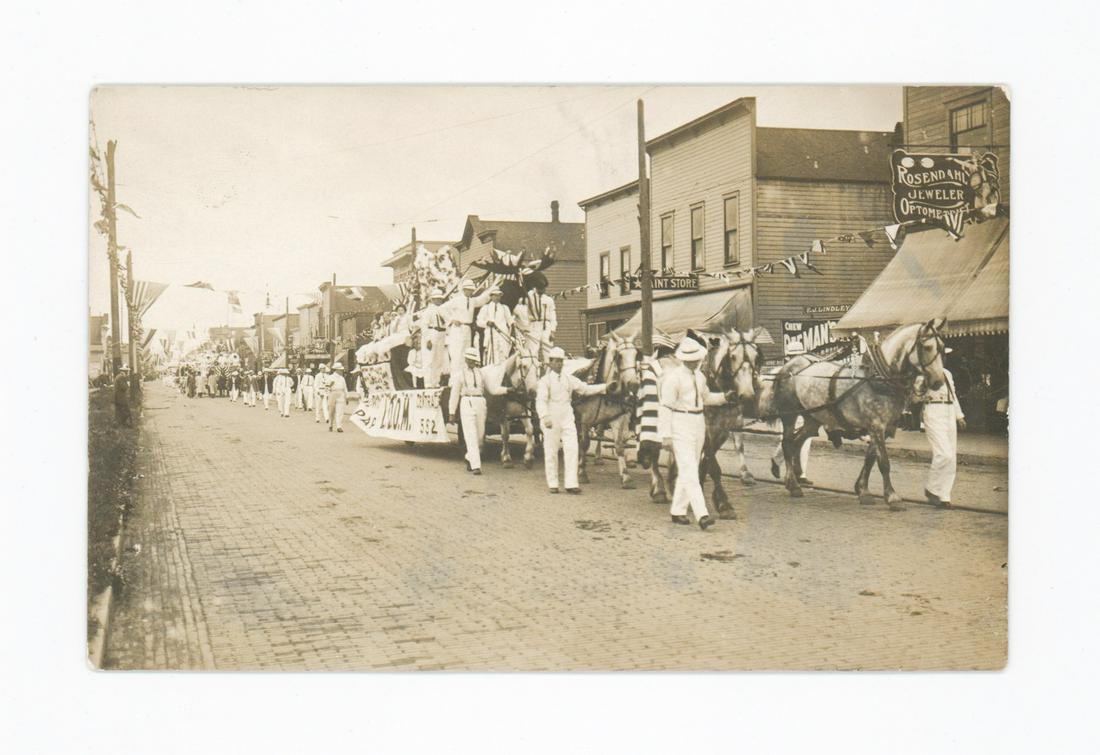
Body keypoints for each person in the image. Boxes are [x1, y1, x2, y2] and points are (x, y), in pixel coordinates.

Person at [659, 337, 734, 530]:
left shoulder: (700, 377)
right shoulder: (673, 378)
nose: (693, 362)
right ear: (683, 359)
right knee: (690, 470)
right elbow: (665, 407)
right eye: (689, 359)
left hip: (698, 423)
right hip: (680, 422)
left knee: (688, 468)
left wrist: (725, 397)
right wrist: (666, 435)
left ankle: (678, 511)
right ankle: (702, 515)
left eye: (696, 359)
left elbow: (706, 398)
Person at [535, 346, 612, 494]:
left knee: (572, 448)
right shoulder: (545, 381)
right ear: (550, 363)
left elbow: (585, 389)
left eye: (561, 361)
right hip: (551, 415)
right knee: (551, 450)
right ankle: (553, 483)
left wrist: (605, 387)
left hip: (566, 415)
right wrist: (545, 416)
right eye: (556, 361)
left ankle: (571, 483)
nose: (559, 364)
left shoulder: (568, 379)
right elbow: (541, 400)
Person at [919, 349, 966, 508]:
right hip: (933, 411)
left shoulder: (947, 373)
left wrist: (959, 416)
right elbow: (915, 395)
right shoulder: (922, 373)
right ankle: (932, 488)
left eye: (944, 356)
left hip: (949, 412)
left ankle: (944, 495)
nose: (942, 359)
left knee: (951, 457)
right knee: (943, 453)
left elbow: (953, 395)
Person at [769, 341, 814, 485]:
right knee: (788, 438)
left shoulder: (806, 373)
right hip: (787, 412)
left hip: (804, 410)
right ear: (787, 357)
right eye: (793, 356)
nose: (796, 359)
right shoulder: (780, 372)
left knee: (805, 440)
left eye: (798, 356)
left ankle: (801, 474)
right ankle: (777, 459)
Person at [448, 347, 494, 474]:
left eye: (474, 360)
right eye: (470, 359)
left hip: (480, 402)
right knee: (471, 435)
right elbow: (454, 394)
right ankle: (476, 466)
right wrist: (452, 412)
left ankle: (469, 457)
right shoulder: (459, 375)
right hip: (467, 402)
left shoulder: (481, 373)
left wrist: (507, 390)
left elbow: (491, 389)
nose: (472, 362)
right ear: (466, 360)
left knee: (480, 437)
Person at [443, 279, 493, 380]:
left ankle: (463, 379)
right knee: (457, 355)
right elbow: (442, 309)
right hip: (457, 329)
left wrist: (493, 287)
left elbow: (483, 299)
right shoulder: (456, 300)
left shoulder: (472, 301)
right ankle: (454, 380)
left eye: (471, 290)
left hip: (467, 329)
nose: (470, 291)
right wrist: (452, 319)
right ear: (464, 289)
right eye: (468, 289)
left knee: (466, 355)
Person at [515, 274, 557, 362]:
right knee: (532, 351)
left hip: (546, 326)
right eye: (539, 288)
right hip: (533, 325)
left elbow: (553, 316)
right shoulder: (528, 297)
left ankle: (549, 372)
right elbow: (520, 310)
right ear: (535, 287)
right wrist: (524, 326)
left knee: (548, 351)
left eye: (543, 288)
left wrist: (552, 330)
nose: (542, 290)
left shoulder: (548, 300)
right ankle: (534, 373)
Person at [476, 286, 514, 366]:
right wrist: (487, 323)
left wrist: (512, 331)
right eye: (495, 295)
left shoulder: (504, 308)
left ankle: (503, 374)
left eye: (499, 295)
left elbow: (510, 321)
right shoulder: (485, 308)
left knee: (503, 355)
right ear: (491, 296)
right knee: (492, 356)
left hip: (502, 335)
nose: (497, 297)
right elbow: (479, 321)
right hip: (491, 335)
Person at [418, 288, 448, 387]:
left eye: (440, 298)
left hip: (442, 333)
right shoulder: (428, 311)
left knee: (439, 360)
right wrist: (428, 339)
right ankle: (428, 383)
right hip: (432, 332)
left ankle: (436, 381)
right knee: (429, 359)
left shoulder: (443, 309)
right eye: (436, 298)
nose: (439, 300)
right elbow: (424, 325)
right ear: (432, 300)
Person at [327, 363, 349, 432]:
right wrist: (330, 386)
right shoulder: (330, 377)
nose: (341, 371)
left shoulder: (342, 378)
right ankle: (330, 425)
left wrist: (347, 396)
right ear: (336, 370)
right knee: (331, 411)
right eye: (340, 370)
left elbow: (345, 388)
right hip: (333, 393)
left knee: (340, 411)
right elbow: (326, 387)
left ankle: (339, 426)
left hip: (341, 393)